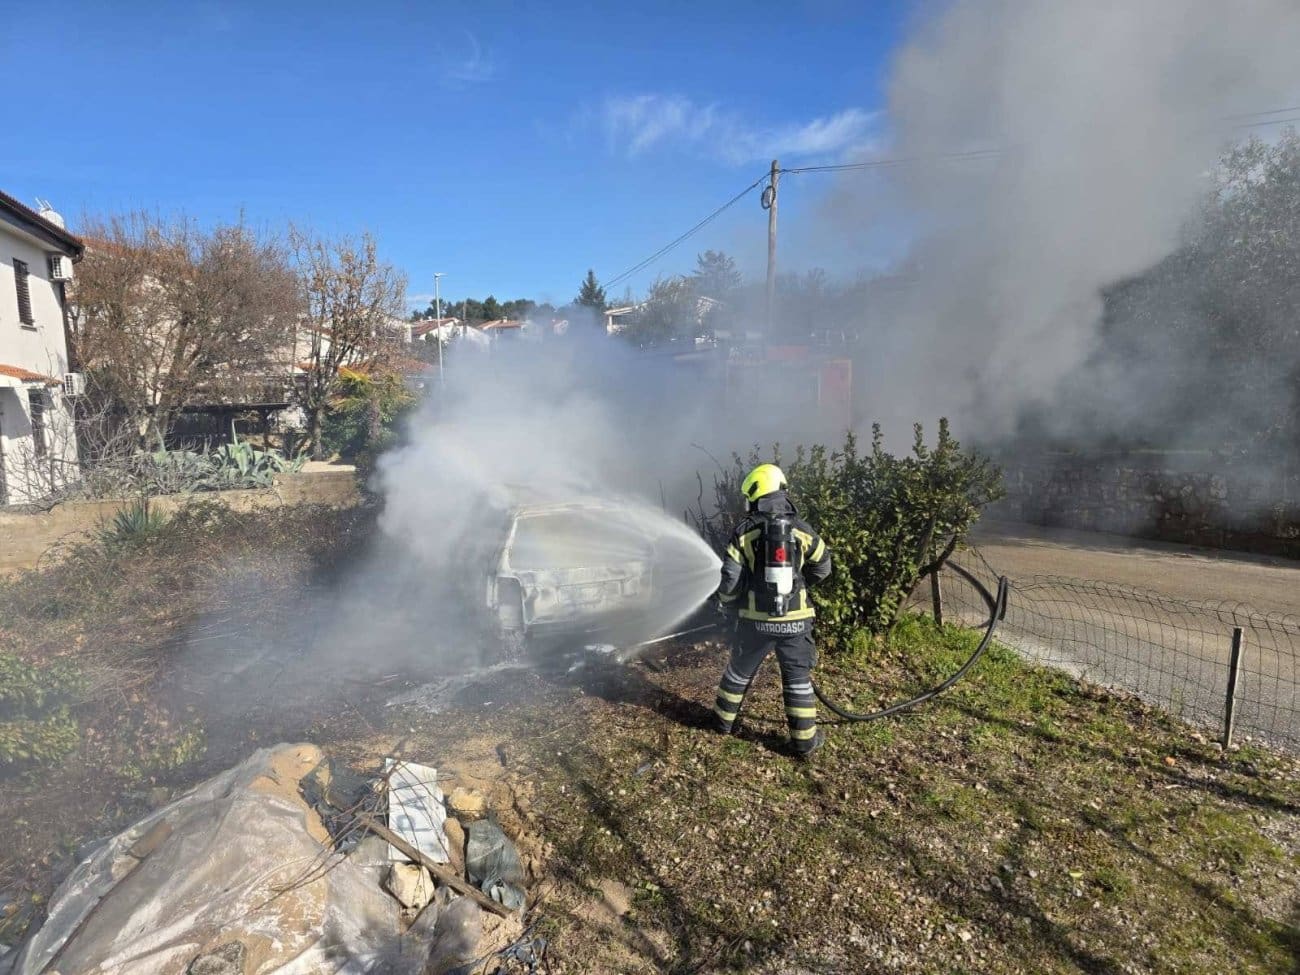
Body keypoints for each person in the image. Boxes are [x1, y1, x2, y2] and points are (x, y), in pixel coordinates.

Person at [711, 463, 833, 757]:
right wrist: (800, 587)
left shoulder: (744, 533)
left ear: (756, 495)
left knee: (739, 672)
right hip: (796, 622)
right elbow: (824, 566)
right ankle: (804, 742)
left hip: (755, 623)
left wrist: (726, 605)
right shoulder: (802, 530)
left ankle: (721, 724)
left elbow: (730, 578)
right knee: (797, 680)